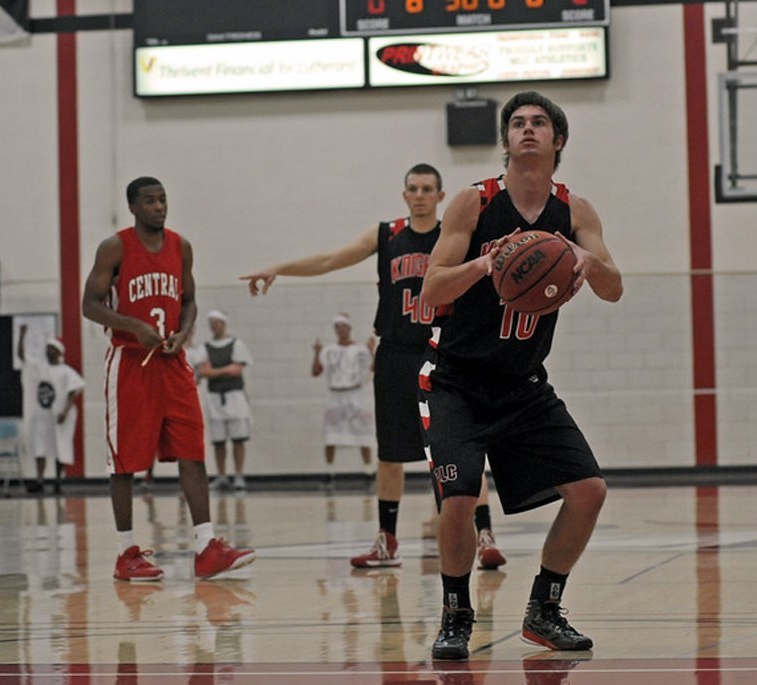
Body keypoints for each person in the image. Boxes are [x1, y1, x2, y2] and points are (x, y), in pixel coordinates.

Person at [419, 91, 623, 660]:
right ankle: (456, 613)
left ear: (558, 141)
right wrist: (487, 263)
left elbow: (613, 289)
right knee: (458, 500)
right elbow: (432, 288)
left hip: (524, 385)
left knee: (588, 492)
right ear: (505, 142)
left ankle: (544, 608)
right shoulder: (473, 203)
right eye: (518, 124)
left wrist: (586, 260)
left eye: (539, 123)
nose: (527, 130)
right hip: (457, 381)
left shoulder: (574, 212)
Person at [241, 163, 506, 571]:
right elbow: (331, 259)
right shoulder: (388, 235)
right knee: (390, 453)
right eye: (412, 188)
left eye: (427, 189)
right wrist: (279, 267)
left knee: (461, 447)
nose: (419, 195)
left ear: (440, 196)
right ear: (404, 195)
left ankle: (484, 535)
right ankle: (386, 540)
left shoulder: (453, 235)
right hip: (396, 353)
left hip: (443, 352)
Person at [82, 176, 255, 581]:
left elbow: (189, 299)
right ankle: (126, 553)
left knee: (192, 448)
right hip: (130, 362)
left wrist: (185, 330)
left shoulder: (182, 247)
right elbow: (89, 304)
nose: (159, 206)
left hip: (172, 362)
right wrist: (131, 325)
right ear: (133, 207)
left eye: (162, 200)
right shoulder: (115, 247)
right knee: (125, 459)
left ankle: (206, 547)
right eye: (149, 201)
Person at [16, 324, 84, 495]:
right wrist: (22, 335)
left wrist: (66, 412)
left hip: (59, 417)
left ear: (59, 352)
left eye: (51, 348)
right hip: (42, 416)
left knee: (59, 448)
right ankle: (39, 481)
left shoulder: (66, 371)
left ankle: (58, 481)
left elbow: (73, 392)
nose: (47, 351)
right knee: (40, 447)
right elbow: (22, 356)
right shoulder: (39, 368)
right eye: (47, 348)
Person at [311, 313, 376, 476]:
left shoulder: (360, 349)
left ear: (349, 328)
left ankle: (368, 470)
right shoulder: (329, 350)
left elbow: (373, 368)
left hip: (355, 394)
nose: (340, 330)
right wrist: (317, 353)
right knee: (331, 435)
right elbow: (316, 371)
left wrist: (372, 351)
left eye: (343, 326)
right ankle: (329, 471)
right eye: (337, 327)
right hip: (336, 395)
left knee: (362, 432)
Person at [197, 309, 253, 492]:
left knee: (238, 438)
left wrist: (215, 371)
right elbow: (204, 372)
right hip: (215, 398)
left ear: (224, 323)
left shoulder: (236, 344)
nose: (215, 325)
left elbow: (237, 369)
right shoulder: (205, 347)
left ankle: (238, 475)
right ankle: (221, 475)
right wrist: (225, 370)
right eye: (212, 322)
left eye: (217, 322)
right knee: (218, 440)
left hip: (235, 397)